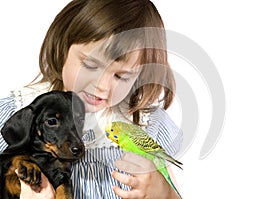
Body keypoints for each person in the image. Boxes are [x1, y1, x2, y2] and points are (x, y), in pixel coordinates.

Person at [0, 0, 183, 198]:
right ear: (63, 48)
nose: (102, 86)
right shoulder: (14, 113)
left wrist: (164, 193)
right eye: (90, 65)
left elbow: (175, 192)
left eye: (122, 76)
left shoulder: (147, 125)